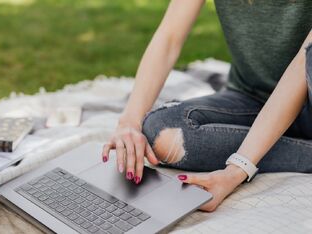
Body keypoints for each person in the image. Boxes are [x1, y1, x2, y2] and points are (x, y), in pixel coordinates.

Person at [101, 0, 312, 212]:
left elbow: (301, 68)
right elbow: (169, 37)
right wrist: (129, 122)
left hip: (307, 94)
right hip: (251, 96)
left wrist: (236, 170)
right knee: (163, 133)